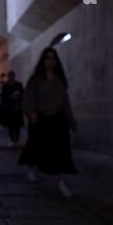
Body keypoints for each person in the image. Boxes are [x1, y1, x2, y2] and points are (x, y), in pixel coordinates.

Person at [19, 47, 78, 198]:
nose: (50, 61)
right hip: (41, 118)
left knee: (61, 152)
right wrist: (30, 112)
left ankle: (61, 182)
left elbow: (65, 102)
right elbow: (28, 97)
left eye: (53, 58)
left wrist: (71, 121)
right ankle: (32, 168)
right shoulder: (36, 80)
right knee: (37, 147)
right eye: (48, 58)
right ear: (43, 60)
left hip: (58, 119)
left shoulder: (60, 80)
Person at [1, 71, 24, 147]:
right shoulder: (5, 85)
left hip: (17, 107)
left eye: (12, 76)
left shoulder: (19, 85)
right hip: (9, 107)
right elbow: (3, 96)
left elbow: (22, 94)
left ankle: (16, 139)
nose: (11, 77)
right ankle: (12, 139)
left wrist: (18, 96)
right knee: (10, 124)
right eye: (10, 76)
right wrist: (11, 97)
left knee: (17, 124)